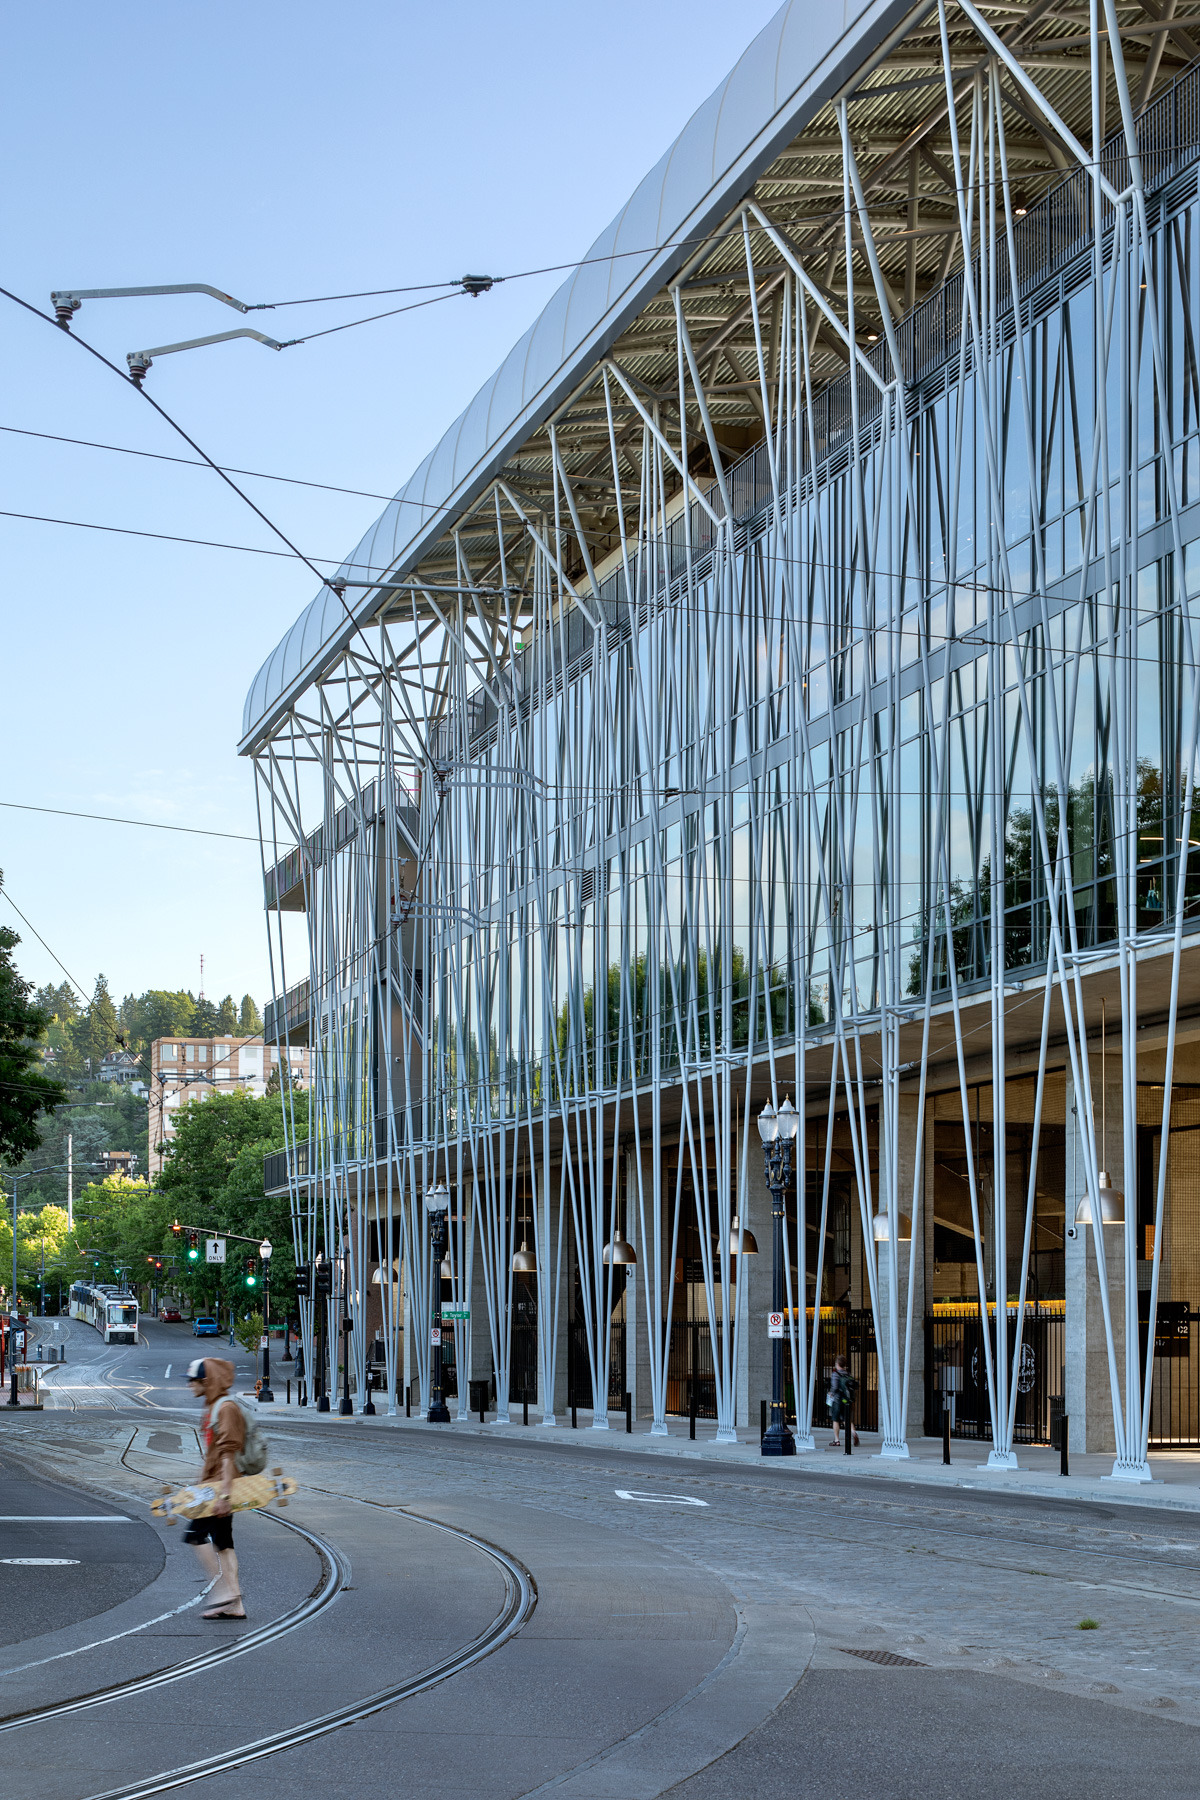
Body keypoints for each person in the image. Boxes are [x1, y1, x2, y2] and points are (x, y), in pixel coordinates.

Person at [185, 1358, 248, 1620]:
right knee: (223, 1543)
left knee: (195, 1535)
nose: (189, 1386)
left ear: (207, 1382)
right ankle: (235, 1604)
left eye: (193, 1381)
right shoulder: (212, 1406)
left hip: (220, 1487)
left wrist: (223, 1495)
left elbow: (228, 1456)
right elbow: (212, 1454)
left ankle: (223, 1591)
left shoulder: (226, 1408)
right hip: (212, 1486)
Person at [826, 1355, 860, 1449]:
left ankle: (837, 1440)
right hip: (847, 1400)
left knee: (835, 1419)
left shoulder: (836, 1374)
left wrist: (831, 1393)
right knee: (847, 1418)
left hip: (837, 1400)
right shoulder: (848, 1374)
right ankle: (853, 1432)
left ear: (837, 1364)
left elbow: (835, 1387)